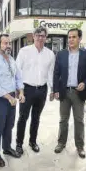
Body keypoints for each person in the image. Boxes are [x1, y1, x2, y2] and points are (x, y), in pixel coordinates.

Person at [53, 28, 86, 158]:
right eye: (69, 37)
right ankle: (61, 143)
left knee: (79, 120)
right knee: (63, 119)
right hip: (64, 92)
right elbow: (56, 73)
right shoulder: (61, 54)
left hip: (79, 93)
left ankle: (80, 146)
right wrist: (55, 90)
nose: (71, 39)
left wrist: (85, 82)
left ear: (80, 39)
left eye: (74, 37)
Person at [0, 34, 25, 167]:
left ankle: (7, 148)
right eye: (5, 43)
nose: (8, 46)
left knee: (9, 125)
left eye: (9, 43)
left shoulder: (12, 60)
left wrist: (21, 92)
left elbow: (18, 77)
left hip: (12, 97)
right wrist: (9, 97)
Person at [15, 26, 55, 155]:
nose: (40, 38)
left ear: (46, 37)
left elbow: (50, 73)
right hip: (27, 89)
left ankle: (33, 142)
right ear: (33, 36)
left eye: (43, 35)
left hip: (42, 90)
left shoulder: (50, 54)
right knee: (23, 117)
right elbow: (17, 72)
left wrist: (52, 90)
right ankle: (19, 144)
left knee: (36, 118)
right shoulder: (24, 51)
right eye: (38, 35)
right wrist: (19, 90)